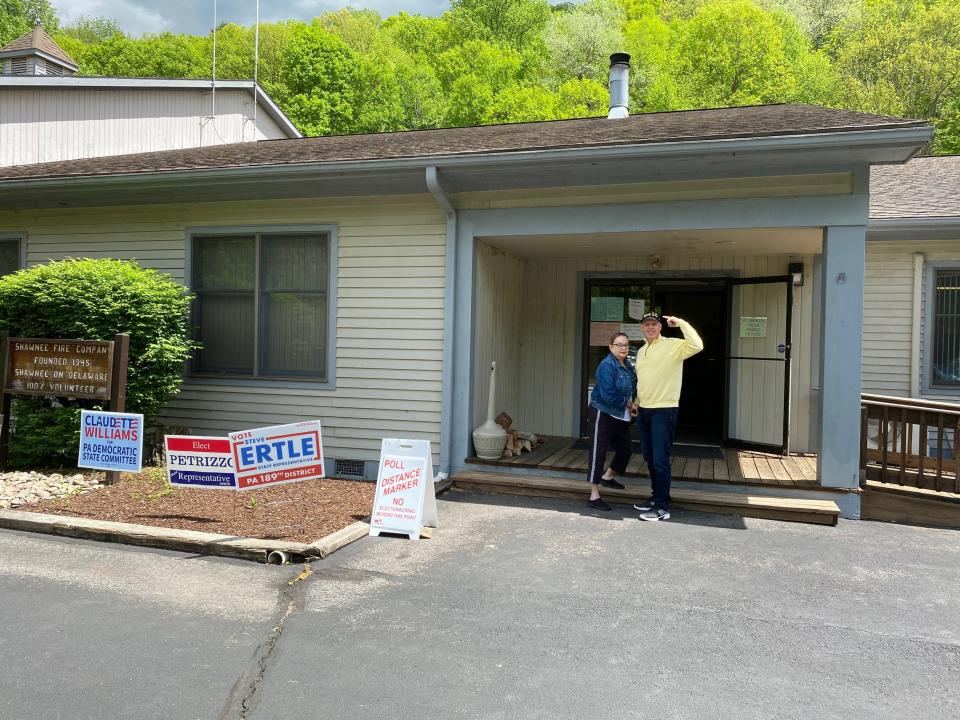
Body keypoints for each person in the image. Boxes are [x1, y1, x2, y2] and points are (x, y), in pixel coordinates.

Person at [633, 312, 703, 521]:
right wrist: (637, 400)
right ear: (642, 329)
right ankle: (656, 498)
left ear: (660, 327)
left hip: (664, 410)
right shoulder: (642, 350)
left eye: (654, 324)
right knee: (649, 457)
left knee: (660, 460)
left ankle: (663, 507)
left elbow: (697, 345)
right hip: (644, 409)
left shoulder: (673, 345)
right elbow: (643, 379)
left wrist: (681, 322)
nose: (651, 328)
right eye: (647, 325)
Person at [586, 332, 638, 511]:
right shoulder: (607, 365)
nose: (623, 348)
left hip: (620, 414)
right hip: (603, 411)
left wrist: (633, 404)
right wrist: (628, 405)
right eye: (619, 345)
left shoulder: (628, 365)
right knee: (598, 451)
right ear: (611, 347)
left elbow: (632, 386)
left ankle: (607, 477)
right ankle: (594, 495)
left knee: (625, 450)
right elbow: (608, 395)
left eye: (626, 345)